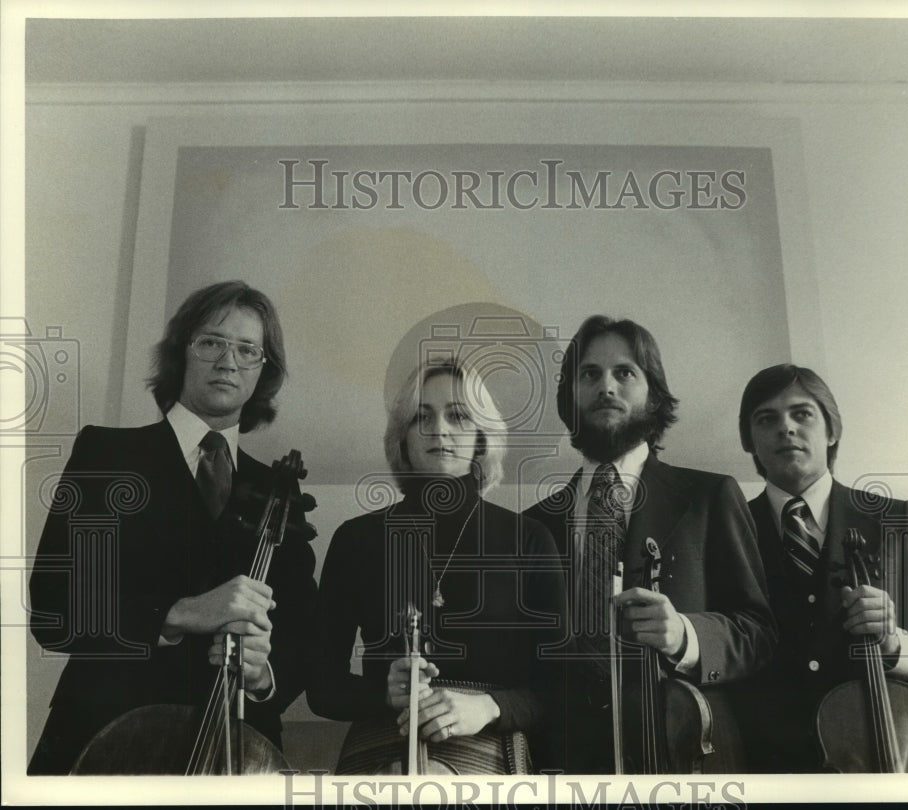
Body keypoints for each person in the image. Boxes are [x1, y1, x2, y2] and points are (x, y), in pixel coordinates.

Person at [28, 280, 318, 774]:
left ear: (262, 370)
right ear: (182, 351)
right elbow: (55, 608)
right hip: (104, 739)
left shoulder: (279, 490)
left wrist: (264, 674)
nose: (229, 361)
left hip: (234, 749)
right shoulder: (107, 453)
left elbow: (302, 635)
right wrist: (179, 613)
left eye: (248, 350)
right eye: (211, 342)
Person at [524, 315, 776, 774]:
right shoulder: (531, 527)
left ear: (653, 393)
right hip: (567, 765)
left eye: (625, 372)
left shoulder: (709, 497)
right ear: (571, 396)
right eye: (589, 374)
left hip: (683, 758)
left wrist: (685, 634)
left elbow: (759, 633)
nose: (606, 387)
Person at [308, 360, 565, 774]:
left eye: (458, 416)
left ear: (482, 438)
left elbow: (559, 687)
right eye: (421, 417)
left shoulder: (529, 538)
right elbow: (321, 686)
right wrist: (383, 694)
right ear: (403, 439)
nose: (439, 430)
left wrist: (488, 706)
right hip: (381, 744)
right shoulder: (356, 539)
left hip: (488, 741)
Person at [736, 363, 908, 772]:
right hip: (768, 774)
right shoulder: (728, 528)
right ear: (750, 441)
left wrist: (894, 643)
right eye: (767, 418)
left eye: (802, 413)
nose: (786, 428)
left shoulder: (895, 521)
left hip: (876, 763)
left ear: (832, 431)